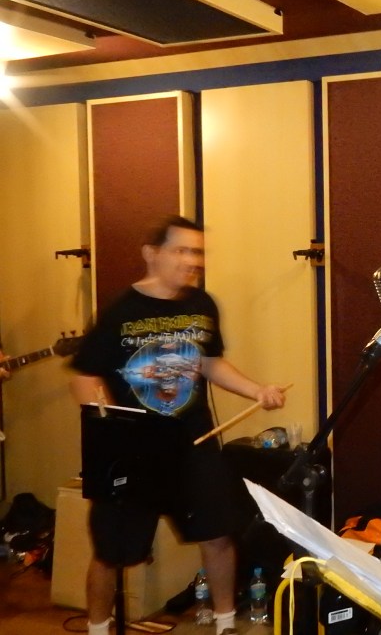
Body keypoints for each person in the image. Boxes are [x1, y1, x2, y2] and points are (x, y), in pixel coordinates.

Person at [70, 215, 287, 635]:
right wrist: (109, 426)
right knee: (111, 552)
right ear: (151, 254)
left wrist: (257, 390)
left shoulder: (202, 305)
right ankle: (97, 628)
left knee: (218, 535)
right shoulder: (120, 311)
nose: (193, 260)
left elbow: (210, 363)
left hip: (193, 440)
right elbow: (84, 374)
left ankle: (225, 625)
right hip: (133, 452)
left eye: (197, 252)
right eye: (182, 250)